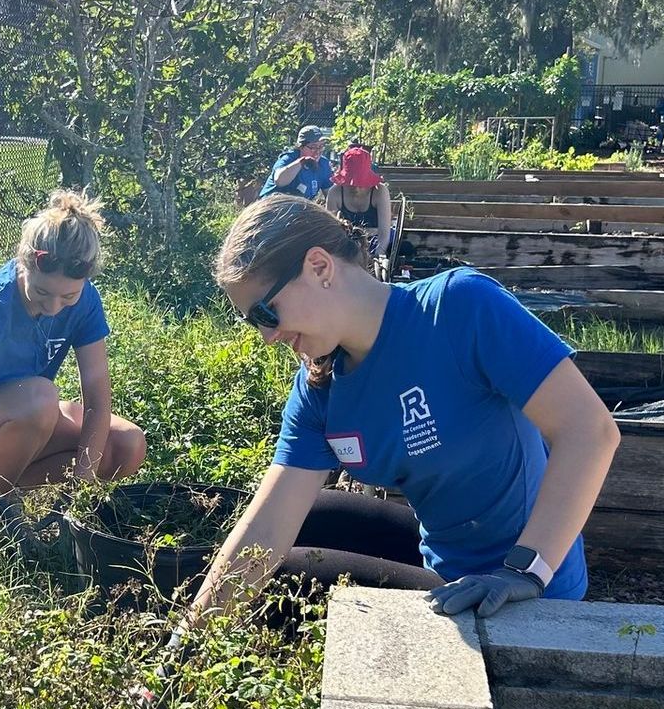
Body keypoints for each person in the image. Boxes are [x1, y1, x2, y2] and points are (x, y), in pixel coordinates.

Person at [180, 196, 620, 627]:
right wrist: (179, 649)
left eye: (265, 312)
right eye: (252, 321)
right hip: (445, 569)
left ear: (319, 267)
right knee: (305, 522)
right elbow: (266, 527)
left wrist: (525, 571)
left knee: (291, 575)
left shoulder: (457, 309)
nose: (267, 337)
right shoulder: (320, 386)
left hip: (521, 587)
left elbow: (591, 431)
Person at [0, 191, 147, 527]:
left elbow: (97, 404)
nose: (54, 307)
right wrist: (0, 513)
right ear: (24, 262)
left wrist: (79, 489)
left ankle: (8, 486)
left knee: (125, 445)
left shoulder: (86, 300)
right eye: (42, 292)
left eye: (69, 295)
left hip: (21, 415)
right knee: (41, 397)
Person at [323, 141, 395, 252]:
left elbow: (384, 234)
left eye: (361, 184)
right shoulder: (335, 193)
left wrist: (377, 256)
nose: (356, 188)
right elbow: (331, 233)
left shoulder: (379, 192)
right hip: (347, 246)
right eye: (352, 184)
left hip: (377, 242)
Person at [259, 125, 334, 201]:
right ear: (300, 147)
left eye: (321, 146)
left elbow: (330, 195)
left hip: (300, 208)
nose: (317, 151)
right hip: (272, 204)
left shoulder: (323, 164)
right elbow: (279, 181)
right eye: (313, 147)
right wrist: (302, 162)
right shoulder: (289, 159)